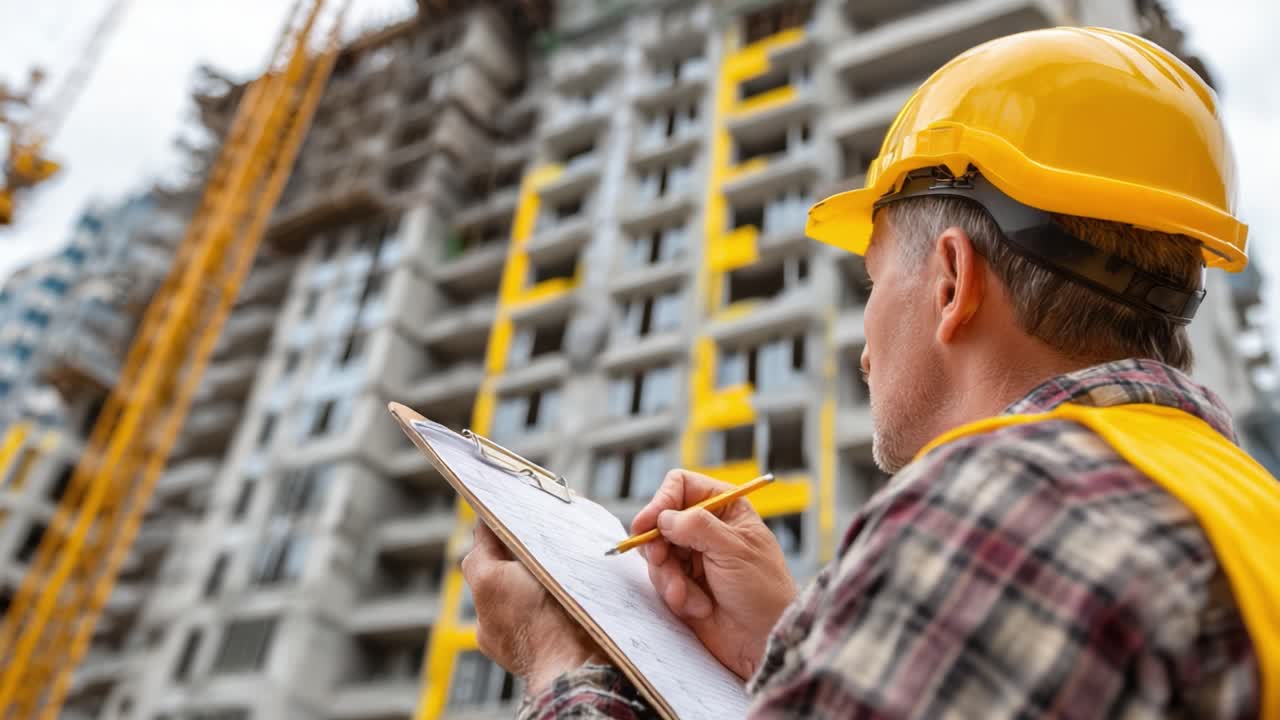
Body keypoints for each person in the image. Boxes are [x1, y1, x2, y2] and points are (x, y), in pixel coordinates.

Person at [461, 27, 1280, 718]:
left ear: (952, 282)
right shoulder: (1240, 511)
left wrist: (555, 654)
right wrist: (787, 638)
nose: (861, 348)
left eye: (873, 282)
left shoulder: (1004, 505)